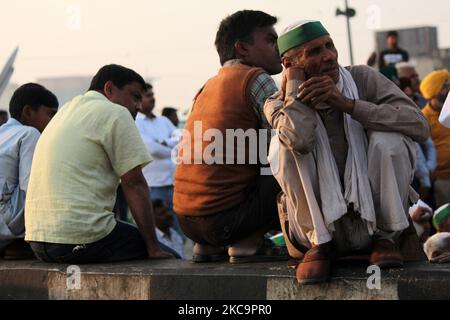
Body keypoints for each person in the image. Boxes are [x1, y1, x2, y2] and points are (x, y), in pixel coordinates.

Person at [265, 20, 429, 284]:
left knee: (390, 140)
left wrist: (350, 105)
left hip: (377, 225)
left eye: (329, 45)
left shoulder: (362, 79)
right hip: (320, 233)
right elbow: (300, 140)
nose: (329, 56)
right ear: (289, 63)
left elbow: (419, 125)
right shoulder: (276, 101)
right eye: (315, 51)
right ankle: (320, 243)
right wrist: (295, 92)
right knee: (282, 147)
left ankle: (385, 237)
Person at [25, 64, 175, 263]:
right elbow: (134, 183)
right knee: (172, 258)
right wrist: (153, 248)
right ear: (109, 89)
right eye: (135, 97)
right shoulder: (116, 112)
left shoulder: (65, 112)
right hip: (79, 238)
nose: (138, 106)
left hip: (38, 240)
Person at [173, 10, 286, 264]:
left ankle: (207, 247)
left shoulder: (206, 87)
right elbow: (288, 137)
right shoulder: (255, 78)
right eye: (270, 40)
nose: (280, 48)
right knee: (291, 154)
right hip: (226, 222)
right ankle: (249, 243)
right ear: (243, 49)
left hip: (187, 222)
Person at [0, 83, 58, 259]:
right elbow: (31, 187)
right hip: (6, 223)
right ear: (28, 112)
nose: (53, 122)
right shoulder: (30, 133)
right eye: (50, 114)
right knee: (43, 186)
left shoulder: (2, 131)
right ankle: (29, 242)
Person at [135, 83, 184, 240]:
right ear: (139, 99)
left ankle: (179, 258)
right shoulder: (136, 123)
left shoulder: (163, 120)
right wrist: (172, 146)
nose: (152, 98)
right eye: (148, 95)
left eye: (153, 94)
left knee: (179, 230)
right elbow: (152, 150)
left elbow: (182, 138)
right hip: (154, 185)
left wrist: (162, 141)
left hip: (174, 183)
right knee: (158, 231)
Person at [399, 77, 437, 201]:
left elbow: (428, 144)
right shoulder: (398, 119)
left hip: (422, 179)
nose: (411, 101)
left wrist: (430, 169)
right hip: (411, 181)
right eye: (407, 97)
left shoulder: (415, 117)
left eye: (412, 98)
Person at [420, 70, 450, 208]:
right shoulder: (423, 118)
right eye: (444, 87)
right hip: (442, 179)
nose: (447, 89)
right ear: (434, 91)